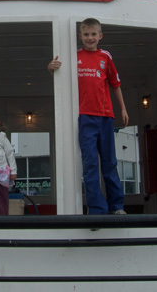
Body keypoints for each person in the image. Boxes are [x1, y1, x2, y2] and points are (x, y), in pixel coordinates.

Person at [48, 18, 129, 215]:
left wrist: (123, 109)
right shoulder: (74, 56)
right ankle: (96, 209)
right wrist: (51, 68)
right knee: (90, 163)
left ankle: (117, 206)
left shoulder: (106, 57)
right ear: (80, 36)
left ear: (100, 36)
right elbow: (60, 74)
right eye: (86, 34)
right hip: (85, 118)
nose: (90, 38)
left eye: (94, 34)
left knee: (109, 162)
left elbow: (115, 84)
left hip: (106, 116)